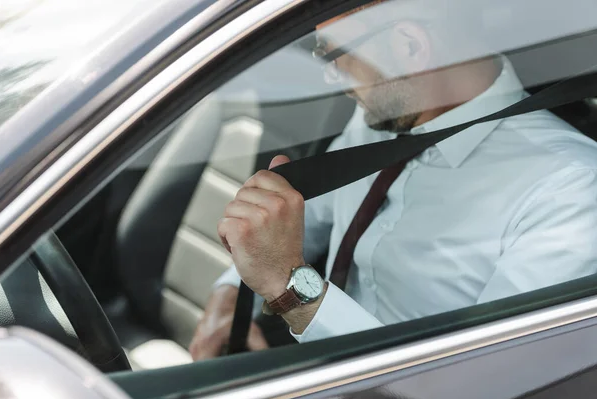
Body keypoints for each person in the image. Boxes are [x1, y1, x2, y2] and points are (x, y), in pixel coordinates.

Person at [189, 0, 597, 360]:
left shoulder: (571, 190)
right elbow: (308, 218)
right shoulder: (384, 115)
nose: (332, 78)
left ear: (409, 48)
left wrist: (292, 289)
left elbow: (481, 381)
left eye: (332, 55)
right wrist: (229, 291)